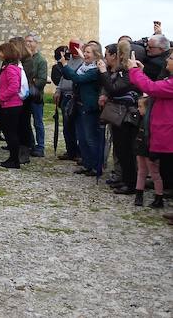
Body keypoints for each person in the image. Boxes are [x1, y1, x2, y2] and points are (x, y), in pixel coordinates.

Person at [128, 51, 173, 209]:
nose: (167, 59)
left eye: (171, 58)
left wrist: (134, 70)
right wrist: (142, 72)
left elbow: (152, 88)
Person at [97, 42, 139, 195]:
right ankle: (125, 180)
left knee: (126, 150)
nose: (105, 57)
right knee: (120, 149)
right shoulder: (118, 71)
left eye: (107, 54)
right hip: (118, 114)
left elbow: (114, 89)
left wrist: (103, 72)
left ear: (116, 55)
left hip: (125, 114)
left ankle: (130, 183)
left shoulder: (127, 72)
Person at [60, 42, 102, 176]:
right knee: (82, 138)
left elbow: (78, 78)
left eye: (89, 52)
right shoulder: (83, 66)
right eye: (85, 52)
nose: (86, 54)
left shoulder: (95, 70)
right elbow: (69, 76)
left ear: (96, 55)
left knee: (90, 138)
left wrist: (65, 65)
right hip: (78, 104)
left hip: (88, 107)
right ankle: (87, 164)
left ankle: (96, 167)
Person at [0, 42, 24, 169]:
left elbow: (14, 86)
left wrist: (1, 98)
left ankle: (14, 159)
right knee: (9, 132)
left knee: (11, 133)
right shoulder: (7, 67)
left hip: (11, 105)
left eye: (1, 52)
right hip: (8, 104)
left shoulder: (10, 69)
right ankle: (12, 158)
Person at [53, 41, 82, 161]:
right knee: (67, 126)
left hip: (74, 96)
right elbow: (63, 77)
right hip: (65, 96)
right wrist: (58, 90)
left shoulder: (82, 62)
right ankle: (70, 151)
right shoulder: (69, 60)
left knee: (76, 126)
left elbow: (74, 76)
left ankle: (78, 152)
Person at [24, 33, 48, 157]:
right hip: (25, 96)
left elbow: (41, 80)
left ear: (35, 43)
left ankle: (40, 146)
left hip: (35, 96)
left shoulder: (40, 60)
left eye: (30, 41)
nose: (28, 43)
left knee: (38, 122)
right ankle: (29, 144)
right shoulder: (24, 58)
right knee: (25, 122)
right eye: (26, 41)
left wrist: (30, 82)